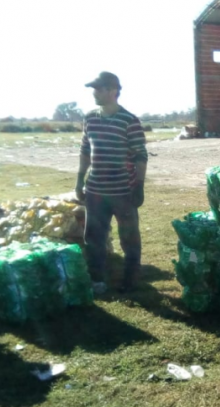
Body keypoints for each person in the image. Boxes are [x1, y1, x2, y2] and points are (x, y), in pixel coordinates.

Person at [75, 71, 148, 294]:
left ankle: (130, 280)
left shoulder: (129, 120)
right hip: (95, 190)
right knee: (94, 238)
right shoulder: (90, 118)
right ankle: (97, 280)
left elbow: (140, 155)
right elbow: (85, 150)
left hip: (123, 191)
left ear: (112, 90)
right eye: (94, 89)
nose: (94, 93)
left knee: (129, 238)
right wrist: (79, 180)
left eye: (98, 89)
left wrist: (139, 185)